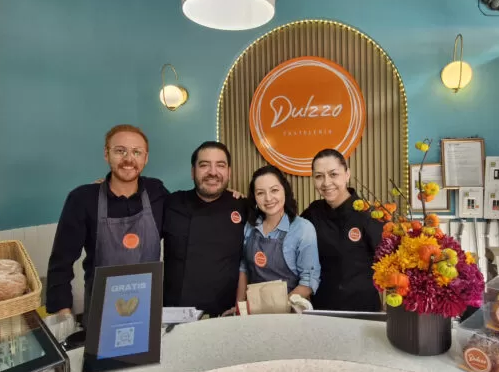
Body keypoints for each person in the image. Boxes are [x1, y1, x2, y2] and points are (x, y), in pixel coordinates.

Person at [46, 124, 168, 323]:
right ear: (106, 154)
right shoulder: (83, 199)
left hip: (149, 309)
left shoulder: (157, 192)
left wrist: (231, 198)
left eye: (137, 152)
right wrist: (63, 313)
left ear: (145, 158)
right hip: (101, 312)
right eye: (120, 151)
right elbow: (61, 263)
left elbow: (187, 212)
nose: (129, 159)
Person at [162, 141, 247, 317]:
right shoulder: (171, 203)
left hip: (226, 315)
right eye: (204, 165)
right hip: (175, 314)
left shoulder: (244, 207)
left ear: (229, 172)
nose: (213, 172)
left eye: (220, 166)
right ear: (193, 172)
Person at [301, 149, 383, 312]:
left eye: (333, 174)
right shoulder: (313, 212)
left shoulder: (370, 214)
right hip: (321, 311)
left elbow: (390, 266)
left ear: (347, 174)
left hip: (363, 311)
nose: (326, 183)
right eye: (319, 176)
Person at [235, 165, 320, 304]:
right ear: (254, 197)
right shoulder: (250, 226)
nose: (268, 198)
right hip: (255, 312)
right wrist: (240, 307)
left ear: (284, 191)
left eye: (274, 190)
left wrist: (277, 309)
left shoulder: (303, 229)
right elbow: (244, 269)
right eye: (260, 193)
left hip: (292, 312)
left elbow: (308, 283)